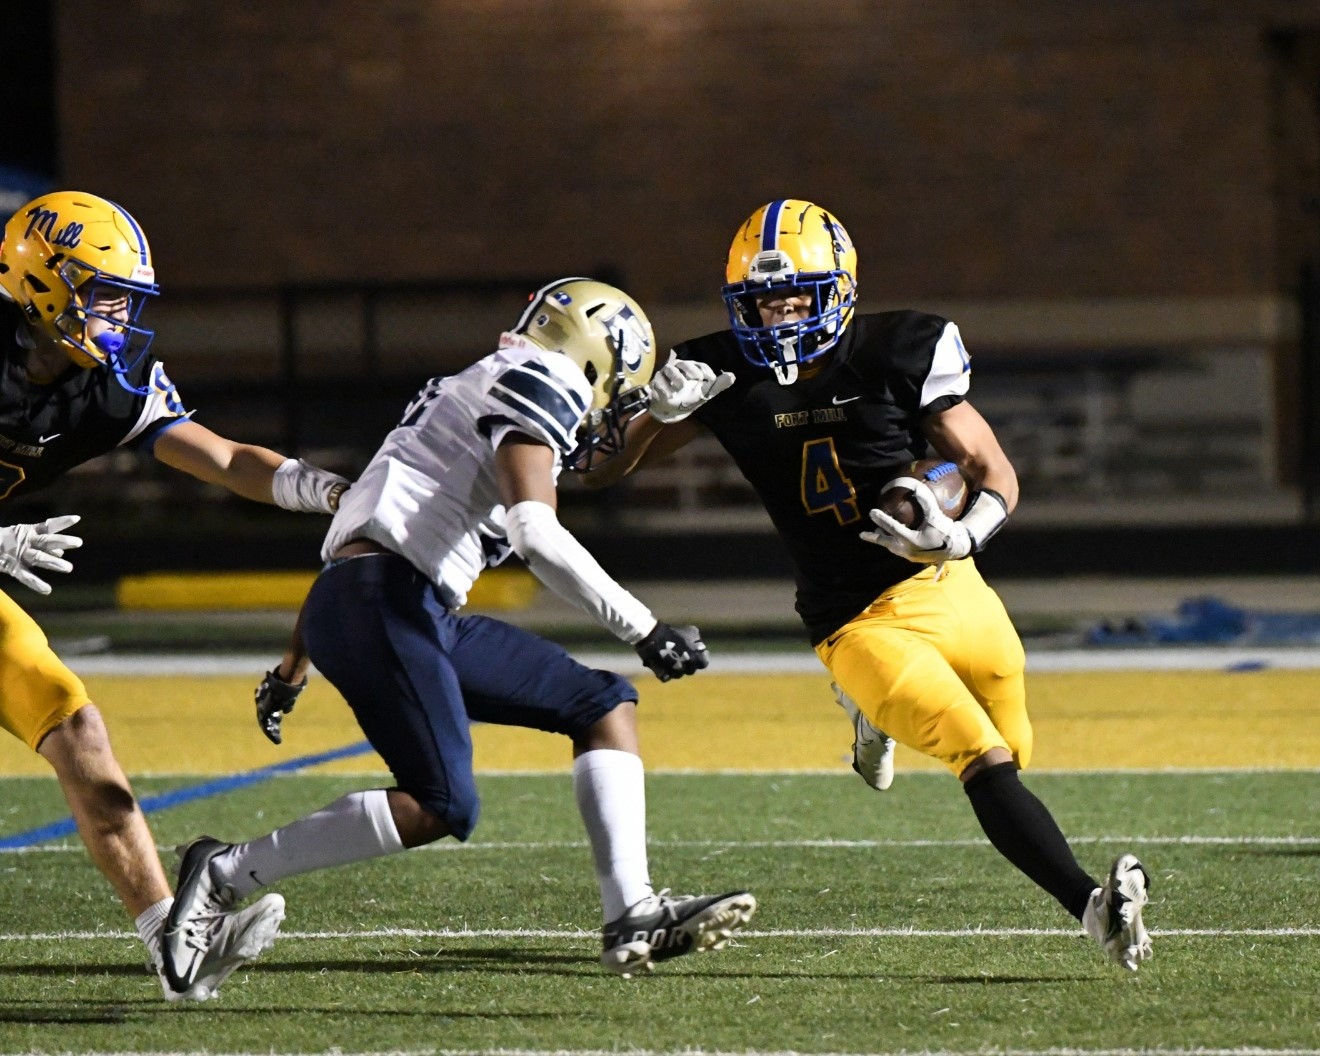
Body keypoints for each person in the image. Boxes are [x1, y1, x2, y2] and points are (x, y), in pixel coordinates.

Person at [582, 199, 1153, 973]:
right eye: (761, 301)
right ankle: (1092, 907)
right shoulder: (718, 372)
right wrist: (650, 414)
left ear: (839, 290)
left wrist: (960, 531)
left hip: (947, 580)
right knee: (982, 756)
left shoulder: (896, 350)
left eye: (795, 297)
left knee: (1018, 743)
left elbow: (991, 471)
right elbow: (595, 469)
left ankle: (867, 716)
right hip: (851, 618)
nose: (778, 315)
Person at [161, 277, 757, 989]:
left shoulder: (480, 383)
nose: (614, 401)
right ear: (602, 355)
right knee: (441, 802)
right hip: (389, 601)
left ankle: (631, 911)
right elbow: (534, 528)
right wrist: (646, 626)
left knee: (600, 706)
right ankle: (224, 871)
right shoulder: (541, 379)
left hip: (386, 601)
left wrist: (294, 667)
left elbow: (359, 539)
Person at [0, 190, 352, 999]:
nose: (116, 316)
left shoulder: (101, 387)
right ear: (44, 283)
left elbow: (225, 460)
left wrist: (328, 492)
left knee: (76, 727)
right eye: (102, 293)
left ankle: (171, 942)